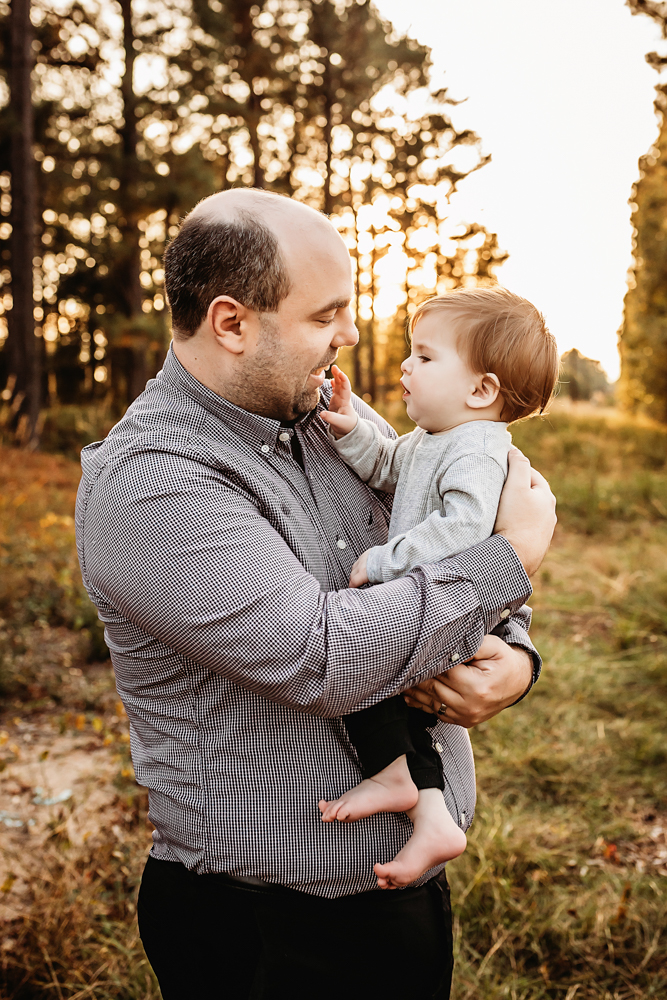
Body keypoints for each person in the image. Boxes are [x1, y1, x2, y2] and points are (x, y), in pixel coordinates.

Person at [75, 188, 556, 1000]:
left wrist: (514, 654)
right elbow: (322, 655)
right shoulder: (152, 482)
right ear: (232, 323)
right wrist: (516, 557)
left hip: (397, 899)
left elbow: (450, 544)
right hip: (265, 932)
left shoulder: (320, 407)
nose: (352, 335)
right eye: (325, 314)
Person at [317, 287, 559, 890]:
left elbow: (462, 532)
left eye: (425, 358)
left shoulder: (477, 450)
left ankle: (416, 792)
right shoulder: (434, 437)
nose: (405, 367)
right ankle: (423, 802)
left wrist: (384, 562)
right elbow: (388, 466)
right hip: (445, 596)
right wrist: (350, 429)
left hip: (462, 603)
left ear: (481, 390)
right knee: (384, 685)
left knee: (370, 665)